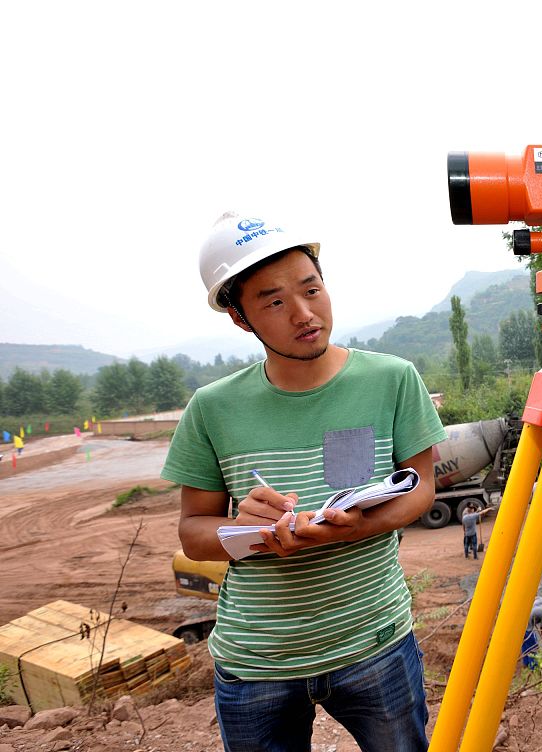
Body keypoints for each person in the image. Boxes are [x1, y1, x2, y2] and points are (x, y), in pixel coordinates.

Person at [167, 212, 446, 752]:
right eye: (272, 301)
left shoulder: (392, 379)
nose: (303, 313)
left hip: (375, 644)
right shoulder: (211, 409)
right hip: (256, 662)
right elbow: (192, 531)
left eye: (311, 289)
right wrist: (241, 528)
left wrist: (349, 531)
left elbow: (423, 488)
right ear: (239, 318)